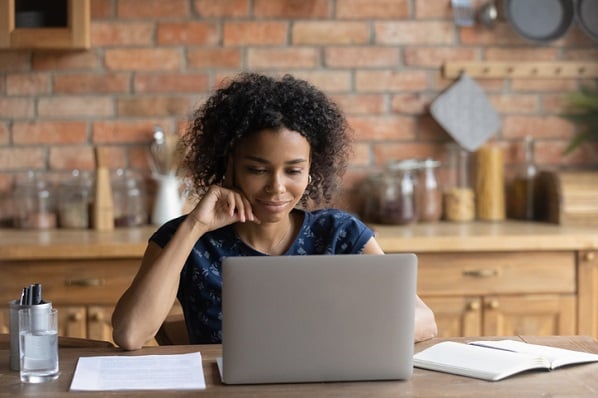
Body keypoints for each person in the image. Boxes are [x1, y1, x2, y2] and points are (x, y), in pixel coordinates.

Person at [111, 72, 437, 350]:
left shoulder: (340, 235)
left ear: (311, 171)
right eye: (257, 169)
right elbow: (130, 334)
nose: (277, 187)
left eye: (293, 171)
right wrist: (195, 225)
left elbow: (424, 321)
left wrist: (343, 332)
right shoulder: (181, 239)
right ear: (230, 168)